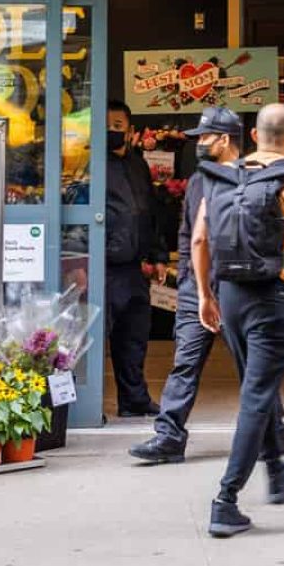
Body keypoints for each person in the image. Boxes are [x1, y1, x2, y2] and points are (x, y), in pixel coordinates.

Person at [191, 101, 284, 538]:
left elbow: (199, 239)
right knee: (256, 395)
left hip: (230, 294)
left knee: (257, 384)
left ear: (252, 136)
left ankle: (275, 468)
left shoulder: (224, 174)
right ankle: (225, 500)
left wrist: (204, 296)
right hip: (275, 296)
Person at [129, 105, 244, 465]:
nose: (199, 144)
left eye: (205, 138)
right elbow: (186, 235)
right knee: (185, 363)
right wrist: (191, 285)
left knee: (252, 368)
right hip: (199, 292)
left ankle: (272, 435)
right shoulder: (197, 182)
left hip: (238, 291)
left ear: (224, 140)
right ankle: (169, 436)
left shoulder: (251, 180)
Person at [104, 99, 166, 417]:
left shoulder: (137, 164)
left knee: (134, 336)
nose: (112, 132)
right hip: (103, 265)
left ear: (130, 130)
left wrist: (157, 256)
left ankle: (134, 399)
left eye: (118, 126)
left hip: (134, 265)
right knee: (97, 336)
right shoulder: (90, 164)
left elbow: (150, 213)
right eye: (107, 126)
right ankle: (84, 406)